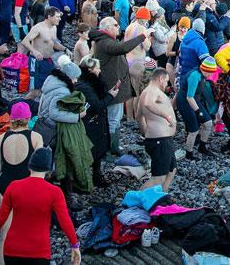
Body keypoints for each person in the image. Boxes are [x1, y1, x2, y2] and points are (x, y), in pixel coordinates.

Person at [0, 147, 81, 265]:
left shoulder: (14, 186)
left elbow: (1, 217)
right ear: (48, 170)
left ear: (30, 166)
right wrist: (75, 245)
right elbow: (65, 221)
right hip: (39, 251)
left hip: (12, 249)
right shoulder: (55, 192)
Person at [0, 102, 44, 265]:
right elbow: (40, 170)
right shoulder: (36, 137)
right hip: (26, 189)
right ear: (28, 118)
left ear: (11, 118)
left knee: (5, 236)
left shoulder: (1, 137)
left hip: (5, 187)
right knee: (29, 234)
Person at [91, 16, 146, 155]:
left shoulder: (105, 41)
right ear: (107, 28)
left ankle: (112, 147)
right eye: (115, 25)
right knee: (113, 120)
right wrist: (142, 36)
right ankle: (112, 149)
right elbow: (123, 47)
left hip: (114, 87)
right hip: (112, 88)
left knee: (115, 118)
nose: (118, 27)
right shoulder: (104, 42)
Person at [74, 55, 119, 187]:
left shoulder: (91, 83)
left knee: (97, 151)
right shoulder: (85, 87)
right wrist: (111, 96)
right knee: (91, 150)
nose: (100, 71)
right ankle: (84, 180)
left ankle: (95, 175)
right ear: (90, 70)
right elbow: (97, 106)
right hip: (91, 124)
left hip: (96, 123)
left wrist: (108, 93)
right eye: (97, 68)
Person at [136, 69, 178, 192]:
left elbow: (139, 116)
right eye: (166, 81)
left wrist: (145, 131)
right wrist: (168, 117)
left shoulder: (145, 92)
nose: (166, 84)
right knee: (158, 178)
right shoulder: (152, 91)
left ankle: (162, 197)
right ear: (160, 79)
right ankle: (133, 202)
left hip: (160, 139)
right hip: (160, 140)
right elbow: (149, 104)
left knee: (171, 170)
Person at [176, 54, 217, 159]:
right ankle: (189, 153)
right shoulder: (195, 76)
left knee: (208, 123)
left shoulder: (203, 75)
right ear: (206, 70)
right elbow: (189, 97)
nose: (211, 75)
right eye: (211, 73)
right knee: (193, 129)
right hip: (185, 102)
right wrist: (198, 111)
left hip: (195, 100)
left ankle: (202, 147)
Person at [20, 6, 65, 92]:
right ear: (49, 16)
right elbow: (25, 41)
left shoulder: (54, 27)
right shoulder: (38, 28)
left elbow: (54, 43)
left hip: (48, 60)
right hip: (36, 61)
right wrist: (34, 51)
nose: (59, 19)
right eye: (57, 17)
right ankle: (23, 104)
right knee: (35, 91)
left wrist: (65, 49)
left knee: (49, 86)